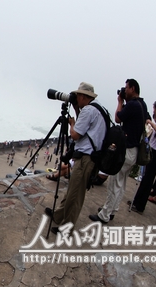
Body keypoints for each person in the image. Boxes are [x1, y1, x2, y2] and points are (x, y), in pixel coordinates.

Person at [45, 82, 107, 234]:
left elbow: (75, 134)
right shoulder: (99, 108)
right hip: (91, 157)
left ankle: (67, 227)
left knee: (75, 195)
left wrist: (72, 124)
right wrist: (76, 108)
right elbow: (87, 127)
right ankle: (58, 215)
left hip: (86, 158)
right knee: (73, 190)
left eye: (77, 96)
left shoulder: (88, 110)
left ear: (82, 96)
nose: (76, 99)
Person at [90, 79, 149, 224]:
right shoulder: (142, 104)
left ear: (133, 89)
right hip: (133, 152)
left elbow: (117, 118)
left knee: (114, 183)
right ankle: (111, 211)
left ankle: (104, 214)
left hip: (125, 150)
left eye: (126, 88)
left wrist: (120, 101)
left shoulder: (133, 105)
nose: (124, 90)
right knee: (121, 183)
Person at [131, 100, 156, 213]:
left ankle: (140, 205)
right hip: (153, 152)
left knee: (148, 180)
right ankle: (136, 201)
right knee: (145, 178)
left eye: (154, 109)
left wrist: (152, 124)